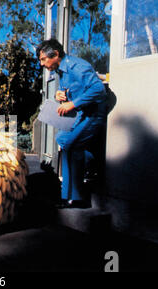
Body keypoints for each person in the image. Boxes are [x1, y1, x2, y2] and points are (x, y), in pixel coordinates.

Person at [37, 39, 108, 209]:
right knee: (62, 139)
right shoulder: (61, 71)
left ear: (55, 54)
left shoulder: (78, 66)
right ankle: (89, 165)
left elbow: (98, 90)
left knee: (70, 145)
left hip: (93, 114)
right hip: (81, 114)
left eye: (43, 59)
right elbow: (69, 91)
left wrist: (73, 104)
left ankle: (75, 197)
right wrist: (61, 95)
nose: (42, 64)